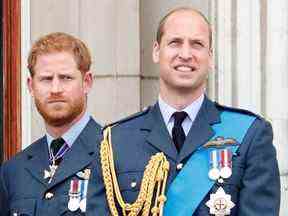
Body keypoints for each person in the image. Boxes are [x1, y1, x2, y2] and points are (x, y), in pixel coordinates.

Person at [100, 7, 280, 216]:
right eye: (175, 42)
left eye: (197, 44)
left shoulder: (251, 135)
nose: (185, 54)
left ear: (210, 56)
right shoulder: (116, 141)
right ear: (157, 51)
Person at [0, 32, 109, 215]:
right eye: (46, 79)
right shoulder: (13, 172)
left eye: (66, 78)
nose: (55, 89)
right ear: (31, 86)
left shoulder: (115, 156)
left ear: (87, 82)